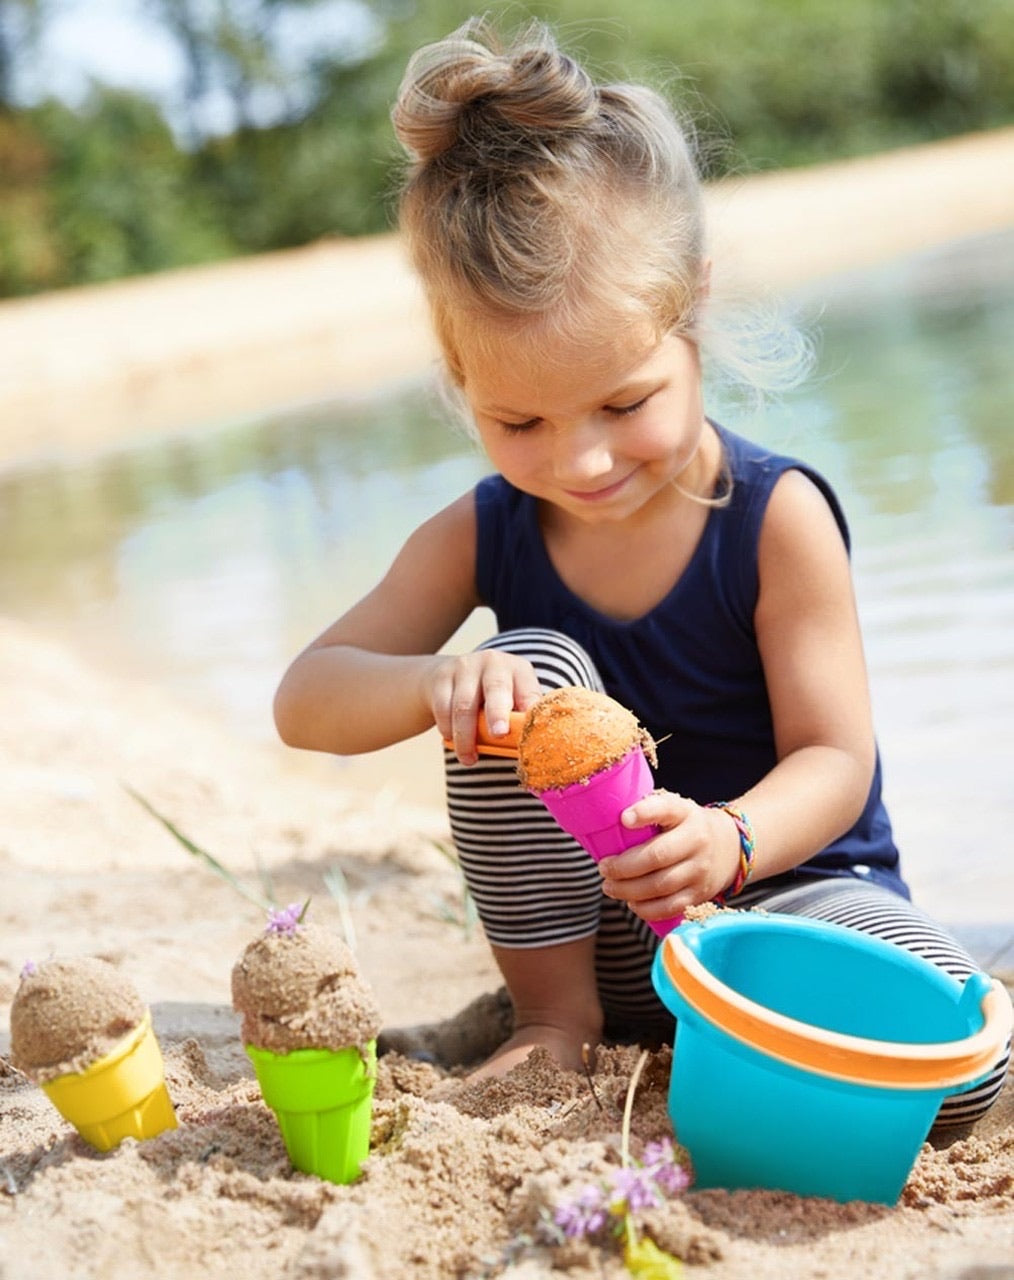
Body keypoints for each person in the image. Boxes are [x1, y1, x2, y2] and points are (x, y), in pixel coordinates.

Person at [273, 16, 1008, 1122]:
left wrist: (732, 838)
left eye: (624, 401)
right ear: (459, 377)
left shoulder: (776, 518)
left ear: (693, 308)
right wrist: (436, 686)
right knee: (513, 666)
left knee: (965, 1073)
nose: (580, 459)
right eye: (517, 418)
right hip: (600, 951)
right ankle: (550, 1025)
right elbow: (305, 699)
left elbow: (835, 756)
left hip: (791, 905)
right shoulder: (486, 529)